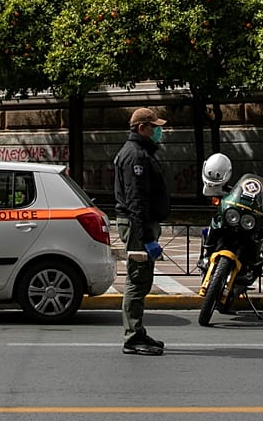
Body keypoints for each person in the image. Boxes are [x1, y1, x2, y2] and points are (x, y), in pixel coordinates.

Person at [114, 106, 171, 356]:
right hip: (138, 225)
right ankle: (132, 336)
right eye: (154, 127)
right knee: (137, 281)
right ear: (141, 128)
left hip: (141, 224)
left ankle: (137, 331)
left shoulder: (141, 153)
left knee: (142, 279)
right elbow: (136, 200)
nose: (158, 131)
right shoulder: (135, 156)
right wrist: (146, 237)